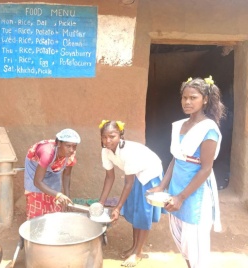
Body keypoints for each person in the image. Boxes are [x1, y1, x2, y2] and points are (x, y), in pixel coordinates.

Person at [149, 76, 226, 268]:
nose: (187, 102)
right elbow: (176, 158)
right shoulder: (180, 125)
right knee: (183, 244)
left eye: (193, 97)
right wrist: (162, 185)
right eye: (184, 98)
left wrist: (182, 197)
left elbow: (206, 169)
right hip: (176, 190)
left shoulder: (209, 130)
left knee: (195, 246)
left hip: (194, 194)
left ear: (205, 100)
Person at [97, 120, 164, 267]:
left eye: (112, 136)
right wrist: (101, 203)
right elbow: (109, 177)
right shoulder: (105, 151)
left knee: (143, 212)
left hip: (149, 174)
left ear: (120, 135)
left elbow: (128, 183)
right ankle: (134, 248)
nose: (108, 140)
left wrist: (117, 208)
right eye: (104, 136)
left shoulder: (128, 152)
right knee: (135, 212)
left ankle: (138, 252)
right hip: (134, 176)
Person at [24, 128, 81, 220]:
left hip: (54, 167)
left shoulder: (70, 154)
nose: (71, 149)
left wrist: (66, 197)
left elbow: (66, 175)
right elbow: (37, 182)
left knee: (53, 198)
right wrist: (58, 195)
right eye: (68, 146)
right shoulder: (47, 153)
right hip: (35, 167)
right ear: (59, 144)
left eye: (74, 146)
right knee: (36, 197)